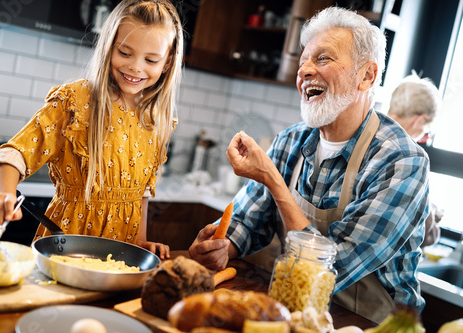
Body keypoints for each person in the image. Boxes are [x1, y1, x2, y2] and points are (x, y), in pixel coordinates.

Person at [189, 7, 429, 323]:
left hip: (364, 324)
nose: (304, 71)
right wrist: (223, 245)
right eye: (303, 62)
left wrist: (274, 181)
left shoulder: (401, 161)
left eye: (322, 59)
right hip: (291, 315)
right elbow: (249, 220)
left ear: (367, 75)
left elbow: (334, 267)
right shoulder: (290, 141)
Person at [0, 0, 184, 260]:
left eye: (151, 59)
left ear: (167, 63)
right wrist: (3, 193)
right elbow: (14, 154)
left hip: (122, 262)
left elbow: (141, 195)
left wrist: (141, 244)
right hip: (66, 250)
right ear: (108, 46)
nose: (136, 66)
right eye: (124, 53)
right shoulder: (76, 101)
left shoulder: (157, 121)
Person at [387, 72, 444, 247]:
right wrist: (431, 210)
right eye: (425, 132)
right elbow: (426, 236)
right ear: (419, 120)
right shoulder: (410, 158)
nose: (422, 138)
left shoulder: (364, 134)